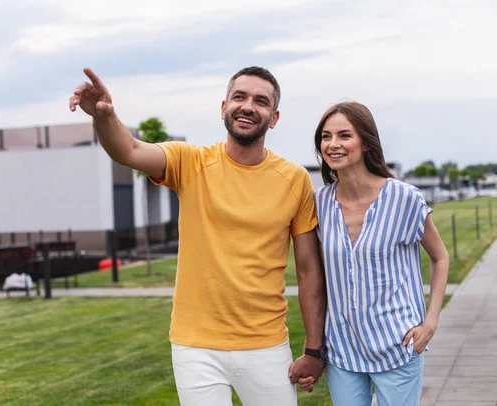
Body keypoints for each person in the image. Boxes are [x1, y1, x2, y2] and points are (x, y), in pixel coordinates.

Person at [69, 66, 326, 405]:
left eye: (260, 101)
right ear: (224, 107)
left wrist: (313, 349)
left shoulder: (294, 179)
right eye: (239, 97)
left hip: (266, 344)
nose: (248, 106)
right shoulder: (190, 161)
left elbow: (309, 270)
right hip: (196, 347)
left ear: (273, 117)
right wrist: (104, 116)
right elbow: (128, 151)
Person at [297, 102, 449, 405]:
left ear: (366, 142)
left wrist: (431, 320)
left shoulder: (404, 198)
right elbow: (315, 276)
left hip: (397, 345)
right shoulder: (320, 204)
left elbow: (440, 257)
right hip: (342, 351)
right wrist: (313, 348)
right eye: (326, 137)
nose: (333, 144)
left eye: (344, 135)